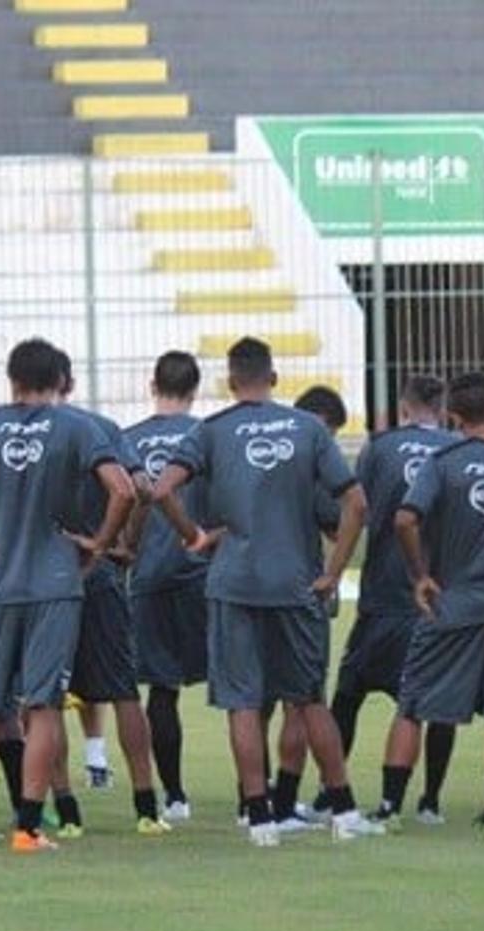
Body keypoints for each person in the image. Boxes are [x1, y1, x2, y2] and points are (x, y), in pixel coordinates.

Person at [153, 337, 378, 846]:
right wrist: (334, 569)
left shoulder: (212, 431)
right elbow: (357, 505)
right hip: (295, 581)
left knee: (243, 703)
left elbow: (160, 489)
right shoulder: (306, 429)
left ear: (231, 382)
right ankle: (342, 812)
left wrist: (192, 535)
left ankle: (259, 819)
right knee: (309, 698)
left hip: (234, 581)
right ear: (273, 378)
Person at [0, 339, 133, 853]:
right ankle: (27, 827)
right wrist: (100, 545)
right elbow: (125, 489)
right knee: (42, 705)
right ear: (59, 380)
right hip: (54, 583)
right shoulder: (75, 426)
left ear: (11, 379)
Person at [370, 372, 484, 835]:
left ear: (454, 417)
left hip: (452, 600)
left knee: (412, 703)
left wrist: (420, 575)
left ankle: (389, 807)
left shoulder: (443, 462)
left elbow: (406, 519)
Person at [322, 376, 459, 822]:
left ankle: (331, 793)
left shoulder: (379, 447)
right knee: (434, 703)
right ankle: (430, 802)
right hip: (435, 598)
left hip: (381, 595)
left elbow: (355, 507)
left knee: (347, 696)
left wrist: (334, 567)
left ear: (403, 408)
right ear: (440, 409)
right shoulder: (456, 448)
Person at [55, 356, 168, 836]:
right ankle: (146, 807)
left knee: (43, 697)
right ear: (70, 383)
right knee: (124, 690)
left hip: (44, 575)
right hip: (98, 572)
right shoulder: (100, 427)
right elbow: (143, 487)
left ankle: (62, 812)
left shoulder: (14, 430)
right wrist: (123, 544)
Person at [124, 351, 208, 822]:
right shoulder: (208, 435)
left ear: (150, 384)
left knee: (162, 688)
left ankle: (174, 795)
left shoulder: (129, 439)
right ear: (196, 388)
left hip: (150, 576)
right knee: (241, 688)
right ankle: (251, 797)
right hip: (204, 573)